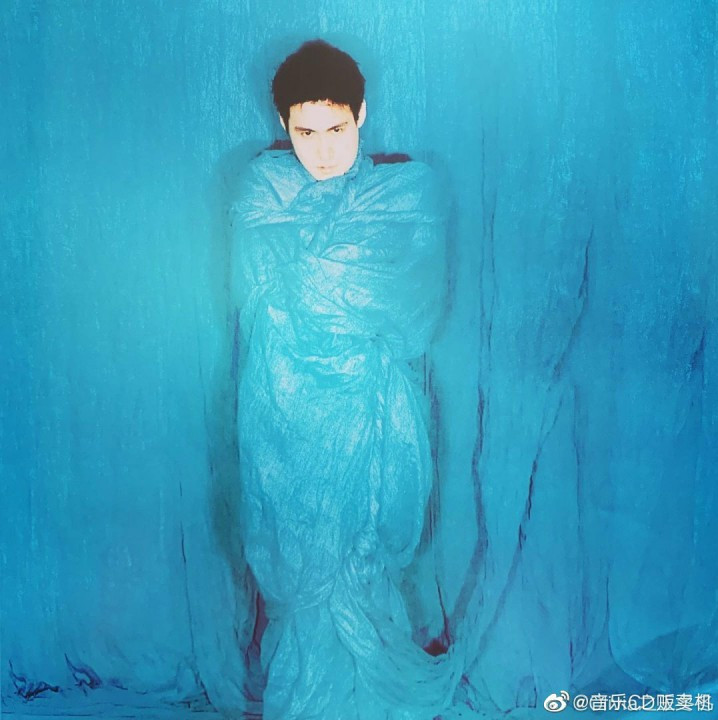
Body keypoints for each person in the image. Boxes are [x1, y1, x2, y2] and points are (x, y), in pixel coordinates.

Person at [231, 39, 461, 720]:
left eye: (337, 129)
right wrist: (333, 294)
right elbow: (254, 297)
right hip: (283, 403)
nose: (324, 150)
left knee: (361, 557)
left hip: (370, 406)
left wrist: (313, 286)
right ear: (283, 126)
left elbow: (413, 313)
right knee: (299, 557)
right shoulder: (262, 190)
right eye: (306, 133)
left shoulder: (406, 193)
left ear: (361, 114)